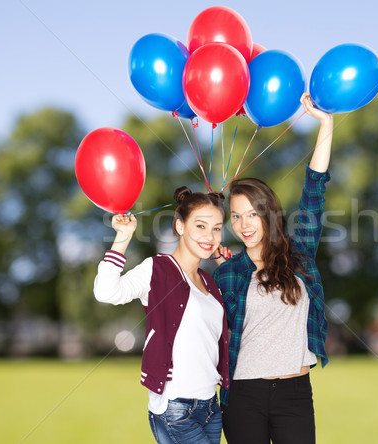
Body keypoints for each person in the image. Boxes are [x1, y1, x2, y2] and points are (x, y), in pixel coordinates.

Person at [212, 93, 333, 444]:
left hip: (294, 393)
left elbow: (314, 191)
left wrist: (325, 124)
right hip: (244, 395)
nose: (244, 224)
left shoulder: (299, 255)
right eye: (236, 216)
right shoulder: (228, 272)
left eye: (252, 214)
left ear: (269, 214)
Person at [93, 187, 230, 444]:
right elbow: (106, 292)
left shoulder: (211, 282)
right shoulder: (156, 269)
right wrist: (123, 236)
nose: (210, 236)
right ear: (180, 227)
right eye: (200, 226)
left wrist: (230, 267)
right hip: (176, 408)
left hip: (211, 407)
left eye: (217, 228)